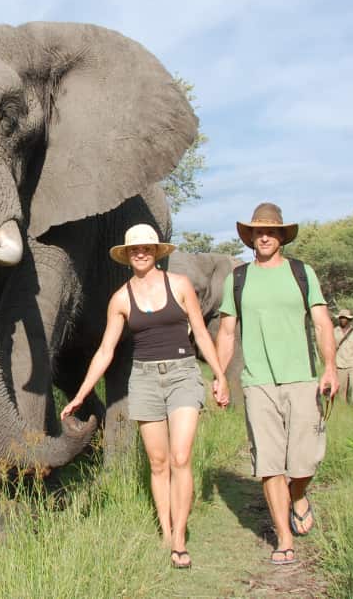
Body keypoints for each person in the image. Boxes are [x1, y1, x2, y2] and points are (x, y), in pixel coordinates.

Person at [60, 224, 229, 570]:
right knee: (158, 462)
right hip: (145, 380)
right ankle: (165, 530)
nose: (141, 253)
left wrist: (220, 376)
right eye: (135, 249)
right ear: (127, 255)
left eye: (147, 248)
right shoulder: (120, 299)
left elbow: (199, 331)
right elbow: (106, 350)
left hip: (182, 373)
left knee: (181, 457)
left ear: (156, 252)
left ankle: (179, 538)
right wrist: (81, 394)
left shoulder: (179, 285)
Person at [215, 203, 338, 566]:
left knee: (304, 463)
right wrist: (221, 376)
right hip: (257, 383)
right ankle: (284, 538)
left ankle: (298, 495)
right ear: (250, 237)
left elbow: (321, 323)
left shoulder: (302, 273)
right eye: (257, 231)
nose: (264, 236)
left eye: (271, 230)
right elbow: (226, 331)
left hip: (302, 379)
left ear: (282, 236)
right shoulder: (237, 279)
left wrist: (330, 366)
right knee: (270, 464)